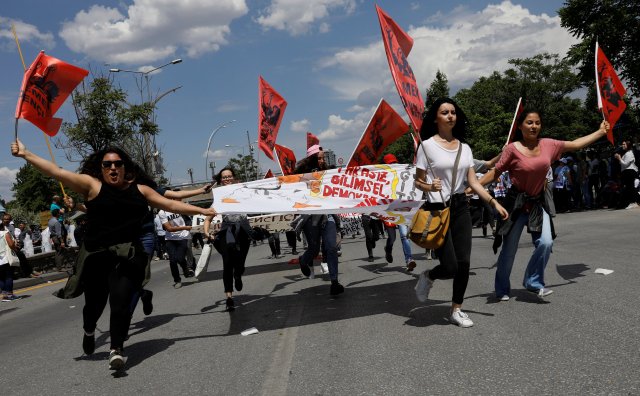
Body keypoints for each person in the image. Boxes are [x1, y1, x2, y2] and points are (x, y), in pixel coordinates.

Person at [11, 139, 216, 371]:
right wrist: (27, 155)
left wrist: (202, 209)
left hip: (129, 253)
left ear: (125, 167)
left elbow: (171, 204)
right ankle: (89, 330)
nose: (112, 168)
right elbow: (56, 171)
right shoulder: (92, 186)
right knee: (94, 306)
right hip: (98, 255)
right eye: (107, 164)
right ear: (101, 168)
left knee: (120, 300)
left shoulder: (141, 189)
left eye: (117, 164)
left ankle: (116, 349)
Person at [478, 109, 609, 301]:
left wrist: (600, 132)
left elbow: (575, 144)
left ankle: (533, 281)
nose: (534, 126)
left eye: (537, 123)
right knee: (509, 250)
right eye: (529, 123)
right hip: (515, 204)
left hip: (538, 203)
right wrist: (473, 188)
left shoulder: (549, 144)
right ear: (521, 126)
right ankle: (502, 288)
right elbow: (495, 173)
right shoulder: (512, 149)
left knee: (546, 242)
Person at [413, 97, 508, 328]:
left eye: (453, 112)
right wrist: (429, 186)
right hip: (438, 209)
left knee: (464, 262)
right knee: (450, 266)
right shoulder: (426, 146)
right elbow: (418, 182)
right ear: (436, 118)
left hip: (460, 207)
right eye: (444, 112)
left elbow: (473, 182)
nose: (450, 116)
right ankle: (429, 276)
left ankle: (457, 309)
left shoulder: (465, 148)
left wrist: (492, 202)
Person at [294, 145, 344, 296]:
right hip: (310, 217)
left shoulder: (328, 172)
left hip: (327, 215)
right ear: (312, 159)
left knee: (331, 247)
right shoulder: (301, 174)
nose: (322, 160)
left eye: (323, 157)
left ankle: (334, 282)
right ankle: (303, 261)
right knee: (314, 250)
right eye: (319, 157)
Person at [203, 167, 253, 311]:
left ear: (234, 178)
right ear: (220, 180)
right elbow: (208, 219)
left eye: (229, 176)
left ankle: (238, 275)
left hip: (243, 231)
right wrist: (207, 233)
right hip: (227, 233)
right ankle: (229, 298)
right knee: (227, 265)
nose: (227, 179)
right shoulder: (219, 199)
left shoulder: (243, 194)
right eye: (224, 177)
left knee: (240, 263)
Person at [381, 154, 416, 270]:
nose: (393, 165)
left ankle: (409, 259)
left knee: (404, 236)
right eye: (390, 164)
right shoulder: (382, 178)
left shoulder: (403, 174)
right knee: (392, 238)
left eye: (394, 162)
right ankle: (388, 249)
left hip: (401, 209)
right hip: (389, 211)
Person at [614, 140, 639, 209]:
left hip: (630, 171)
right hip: (626, 172)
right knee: (628, 187)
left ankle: (634, 202)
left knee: (630, 187)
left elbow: (625, 164)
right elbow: (622, 164)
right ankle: (632, 201)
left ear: (628, 145)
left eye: (624, 144)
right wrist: (618, 158)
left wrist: (619, 158)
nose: (623, 145)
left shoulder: (630, 153)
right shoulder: (626, 153)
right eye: (622, 144)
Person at [0, 218, 20, 301]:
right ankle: (9, 294)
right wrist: (15, 247)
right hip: (6, 258)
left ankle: (3, 295)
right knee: (8, 276)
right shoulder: (5, 233)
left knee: (1, 277)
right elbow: (11, 244)